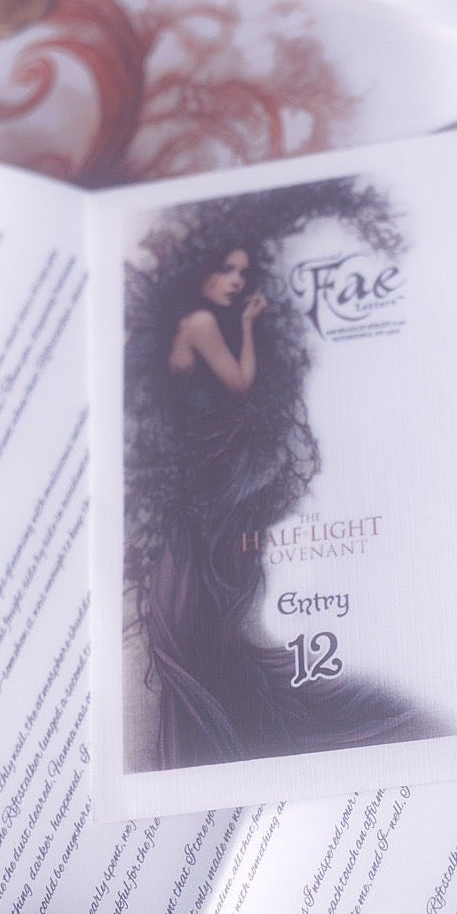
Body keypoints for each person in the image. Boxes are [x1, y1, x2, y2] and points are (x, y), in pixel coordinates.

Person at [124, 184, 438, 771]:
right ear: (201, 271)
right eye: (226, 270)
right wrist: (246, 326)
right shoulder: (200, 321)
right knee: (202, 597)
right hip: (201, 478)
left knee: (207, 598)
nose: (235, 281)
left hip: (197, 476)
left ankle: (214, 715)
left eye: (243, 273)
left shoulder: (193, 321)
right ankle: (216, 715)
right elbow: (240, 384)